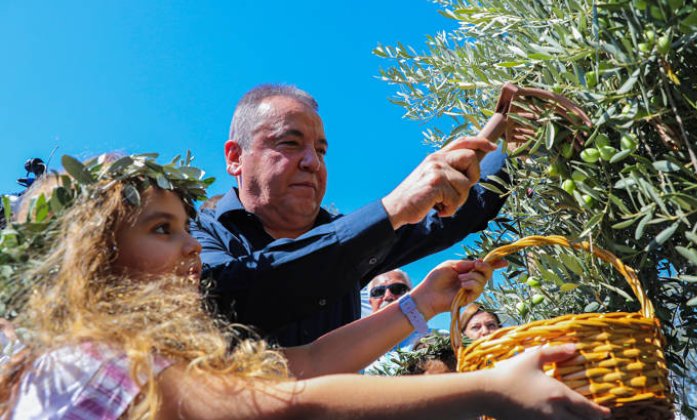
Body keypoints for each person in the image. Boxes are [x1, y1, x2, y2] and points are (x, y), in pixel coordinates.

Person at [0, 154, 609, 420]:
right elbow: (284, 407)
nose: (191, 247)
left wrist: (424, 302)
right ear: (90, 262)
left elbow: (307, 365)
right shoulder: (83, 368)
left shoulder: (152, 359)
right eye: (162, 229)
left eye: (186, 227)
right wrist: (489, 390)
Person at [192, 84, 511, 346]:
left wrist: (521, 147)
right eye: (290, 143)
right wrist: (392, 209)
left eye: (320, 151)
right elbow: (231, 299)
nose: (312, 163)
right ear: (235, 158)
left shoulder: (350, 238)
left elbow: (445, 220)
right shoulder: (193, 236)